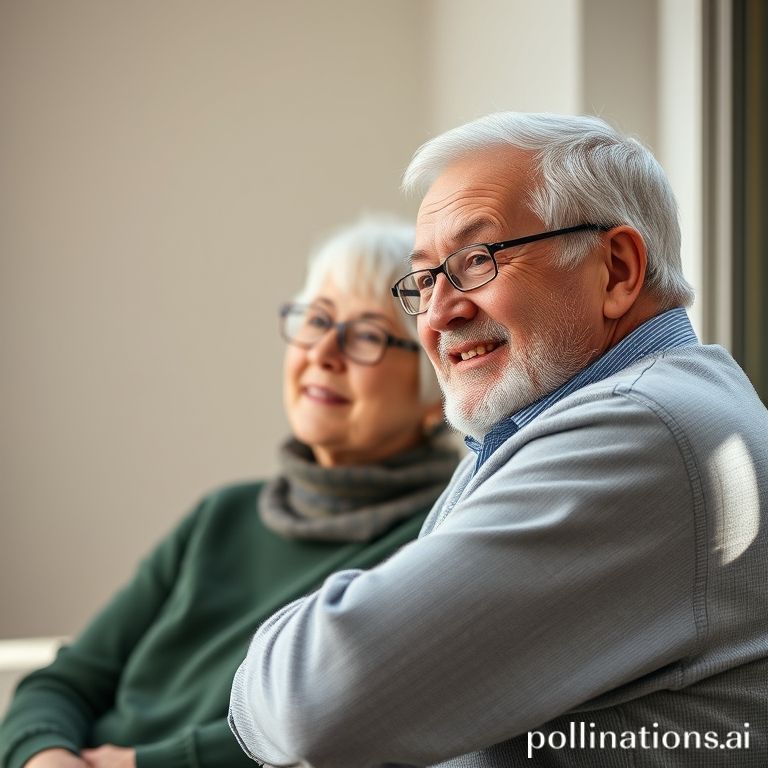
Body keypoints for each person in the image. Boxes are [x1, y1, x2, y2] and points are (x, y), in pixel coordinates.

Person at [228, 113, 768, 767]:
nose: (438, 313)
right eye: (425, 279)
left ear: (618, 269)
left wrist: (286, 653)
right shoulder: (564, 413)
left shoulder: (640, 432)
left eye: (477, 261)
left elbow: (310, 705)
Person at [0, 218, 459, 768]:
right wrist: (46, 757)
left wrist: (141, 766)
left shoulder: (437, 541)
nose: (323, 353)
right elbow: (68, 680)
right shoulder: (222, 515)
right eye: (316, 321)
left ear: (435, 388)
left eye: (365, 335)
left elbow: (338, 729)